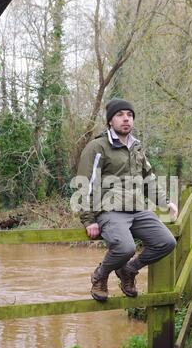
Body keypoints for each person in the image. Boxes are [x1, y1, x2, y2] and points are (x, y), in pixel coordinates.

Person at [76, 98, 178, 302]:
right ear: (110, 121)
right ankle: (100, 275)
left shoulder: (136, 147)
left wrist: (166, 202)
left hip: (138, 209)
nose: (126, 119)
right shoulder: (98, 147)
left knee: (166, 242)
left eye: (129, 115)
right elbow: (84, 182)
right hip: (110, 210)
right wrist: (89, 219)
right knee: (125, 247)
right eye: (120, 115)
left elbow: (148, 179)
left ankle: (128, 270)